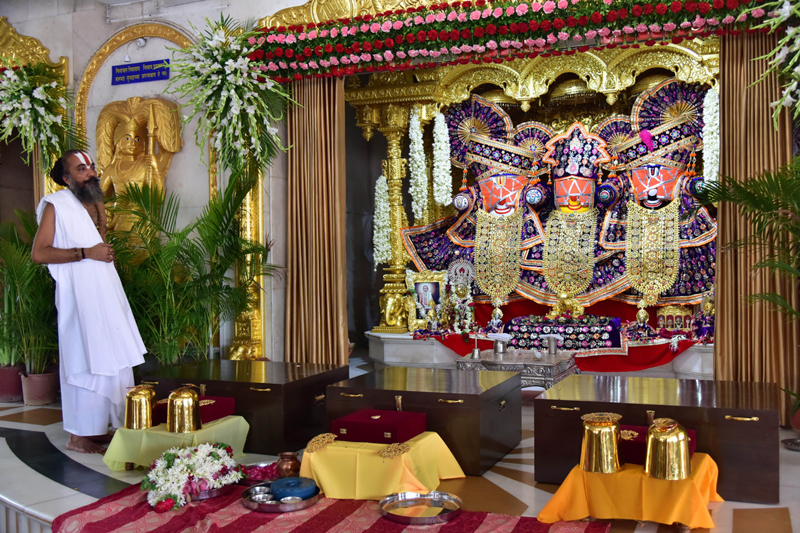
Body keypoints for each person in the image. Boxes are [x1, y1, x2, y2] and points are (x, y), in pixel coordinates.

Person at [32, 150, 146, 454]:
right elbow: (39, 253)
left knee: (114, 355)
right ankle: (79, 436)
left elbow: (100, 246)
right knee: (85, 358)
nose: (90, 172)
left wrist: (104, 258)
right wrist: (85, 253)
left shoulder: (96, 202)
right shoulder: (57, 206)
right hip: (78, 296)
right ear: (67, 178)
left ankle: (103, 428)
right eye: (81, 169)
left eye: (91, 166)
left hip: (106, 290)